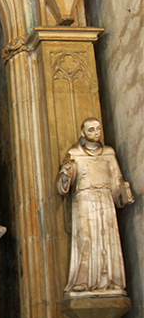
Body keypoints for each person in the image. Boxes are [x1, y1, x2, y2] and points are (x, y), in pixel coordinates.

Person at [56, 118, 134, 293]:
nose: (95, 132)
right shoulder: (74, 153)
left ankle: (112, 279)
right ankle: (83, 280)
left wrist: (123, 191)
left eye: (98, 129)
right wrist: (66, 175)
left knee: (109, 237)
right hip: (84, 198)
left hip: (105, 198)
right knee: (85, 238)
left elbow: (116, 178)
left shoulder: (108, 153)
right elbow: (63, 185)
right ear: (83, 133)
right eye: (91, 130)